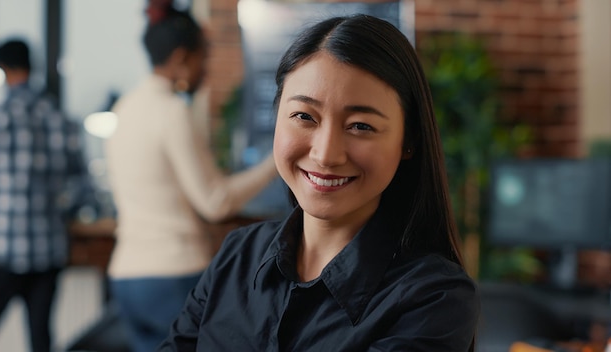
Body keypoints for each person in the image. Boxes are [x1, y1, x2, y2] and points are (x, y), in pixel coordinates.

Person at [158, 14, 480, 352]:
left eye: (360, 126)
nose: (326, 154)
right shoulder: (237, 256)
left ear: (408, 141)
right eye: (304, 117)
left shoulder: (434, 298)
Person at [103, 1, 278, 352]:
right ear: (182, 57)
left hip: (126, 277)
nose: (206, 69)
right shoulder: (171, 112)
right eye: (204, 58)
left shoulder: (124, 109)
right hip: (172, 273)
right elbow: (214, 202)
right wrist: (276, 161)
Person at [0, 38, 97, 352]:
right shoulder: (60, 118)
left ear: (4, 70)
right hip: (49, 249)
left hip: (4, 248)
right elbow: (83, 187)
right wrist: (57, 209)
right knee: (41, 340)